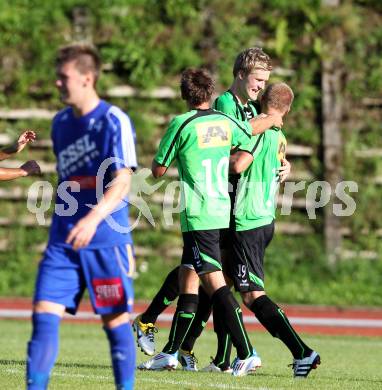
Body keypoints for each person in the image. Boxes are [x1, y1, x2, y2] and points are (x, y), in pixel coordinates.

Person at [133, 47, 289, 370]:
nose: (260, 87)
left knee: (204, 278)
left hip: (220, 210)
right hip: (217, 207)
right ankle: (178, 345)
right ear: (241, 74)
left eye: (264, 82)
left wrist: (282, 163)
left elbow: (253, 147)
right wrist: (270, 121)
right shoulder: (225, 106)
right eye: (258, 80)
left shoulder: (246, 109)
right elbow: (236, 155)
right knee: (200, 279)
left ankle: (182, 349)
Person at [26, 43, 137, 390]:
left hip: (105, 240)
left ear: (87, 78)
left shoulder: (112, 120)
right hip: (63, 242)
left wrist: (92, 219)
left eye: (64, 78)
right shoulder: (60, 124)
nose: (57, 84)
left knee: (115, 322)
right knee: (43, 318)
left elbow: (123, 179)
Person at [214, 82, 320, 378]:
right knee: (222, 283)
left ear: (261, 100)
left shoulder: (261, 132)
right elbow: (277, 166)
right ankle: (224, 357)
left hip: (248, 220)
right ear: (288, 109)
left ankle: (302, 352)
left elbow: (239, 164)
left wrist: (212, 162)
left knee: (251, 295)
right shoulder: (282, 136)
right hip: (263, 218)